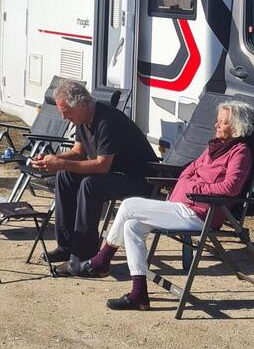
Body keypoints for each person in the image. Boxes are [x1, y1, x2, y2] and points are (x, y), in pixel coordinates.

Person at [84, 100, 254, 312]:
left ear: (238, 127)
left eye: (223, 122)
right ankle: (139, 294)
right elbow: (188, 171)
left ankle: (102, 261)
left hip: (201, 213)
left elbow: (230, 188)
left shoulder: (240, 152)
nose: (216, 125)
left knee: (129, 205)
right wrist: (192, 184)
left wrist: (195, 188)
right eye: (218, 121)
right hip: (185, 206)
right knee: (132, 226)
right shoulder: (215, 148)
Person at [30, 80, 158, 275]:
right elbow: (78, 153)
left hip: (140, 179)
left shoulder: (107, 120)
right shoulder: (82, 119)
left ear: (81, 105)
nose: (64, 117)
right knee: (65, 176)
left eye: (66, 111)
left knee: (91, 185)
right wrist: (54, 159)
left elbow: (102, 165)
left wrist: (61, 163)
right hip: (115, 174)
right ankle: (66, 246)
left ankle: (83, 256)